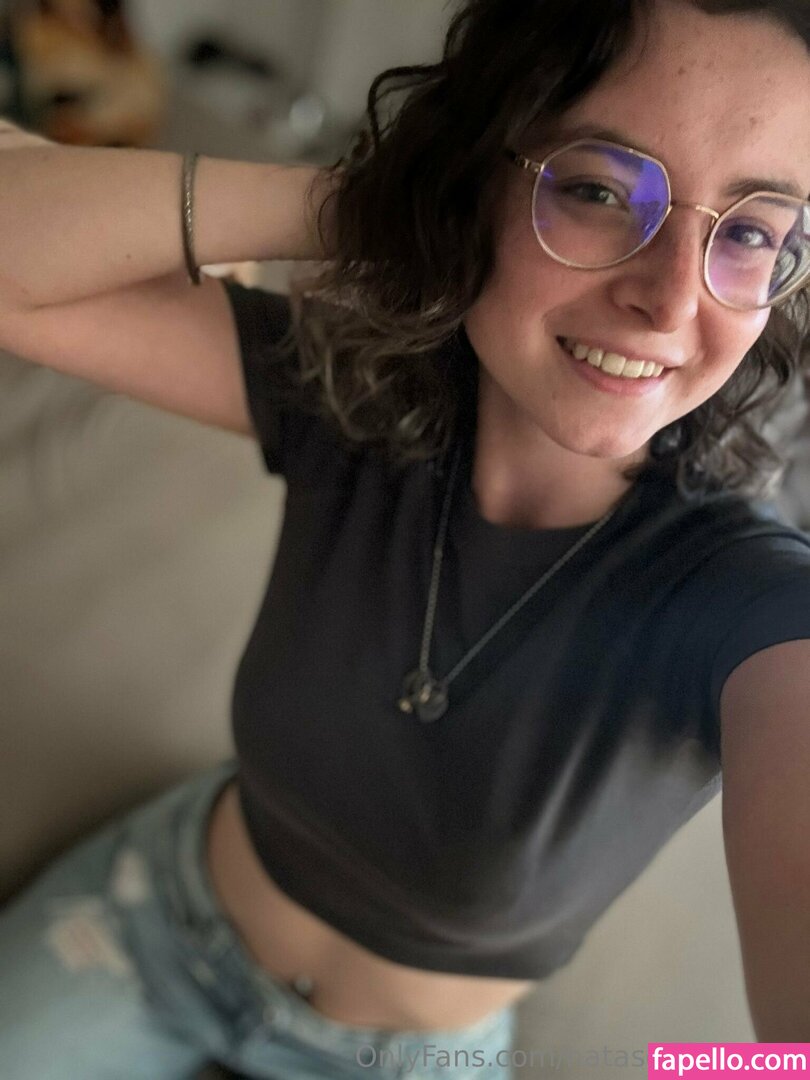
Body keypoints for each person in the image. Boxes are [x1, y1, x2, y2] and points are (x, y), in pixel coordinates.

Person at [1, 0, 809, 1076]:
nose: (670, 302)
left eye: (750, 231)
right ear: (480, 178)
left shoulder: (755, 603)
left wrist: (703, 1068)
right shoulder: (354, 401)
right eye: (599, 190)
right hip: (153, 925)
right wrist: (393, 206)